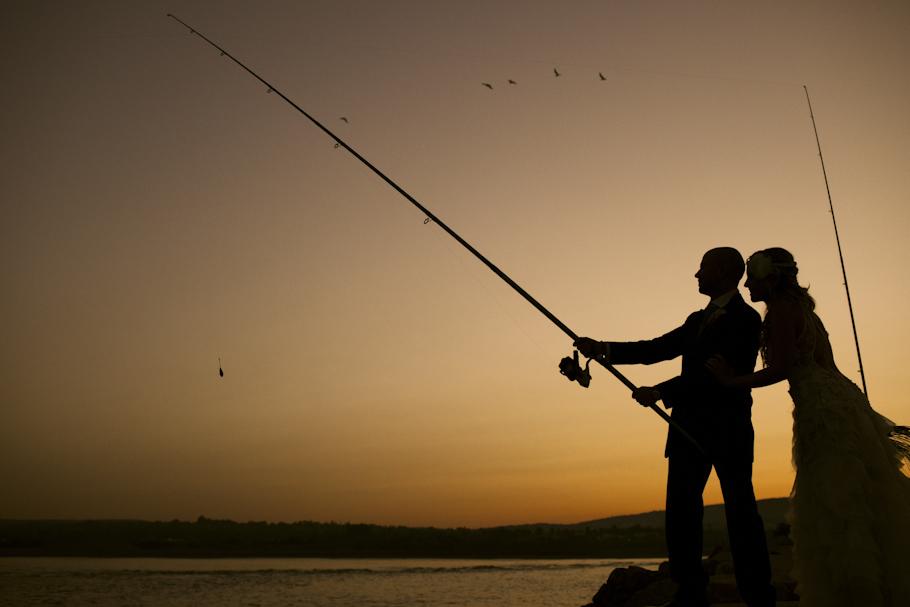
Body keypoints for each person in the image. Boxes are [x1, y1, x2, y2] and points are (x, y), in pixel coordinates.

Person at [706, 247, 910, 607]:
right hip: (844, 400)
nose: (747, 285)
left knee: (833, 497)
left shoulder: (782, 312)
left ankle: (852, 593)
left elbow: (781, 368)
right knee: (857, 493)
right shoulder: (804, 310)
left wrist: (730, 381)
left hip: (821, 410)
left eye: (752, 278)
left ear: (771, 278)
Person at [576, 247, 776, 607]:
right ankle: (690, 594)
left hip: (728, 430)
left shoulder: (747, 320)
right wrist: (603, 348)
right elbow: (656, 349)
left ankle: (759, 596)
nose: (696, 275)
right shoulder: (696, 319)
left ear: (724, 272)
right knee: (681, 514)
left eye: (703, 268)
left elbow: (716, 373)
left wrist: (660, 392)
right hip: (686, 428)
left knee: (741, 513)